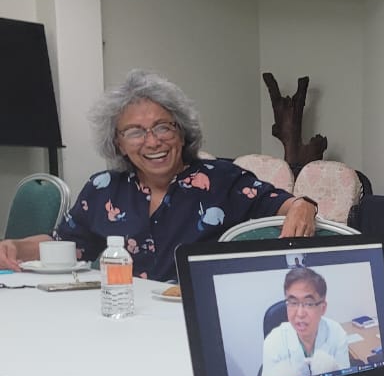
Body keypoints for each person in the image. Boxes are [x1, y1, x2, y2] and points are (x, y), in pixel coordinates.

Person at [0, 69, 318, 280]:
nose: (153, 141)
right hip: (124, 319)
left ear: (182, 132)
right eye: (135, 132)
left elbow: (286, 204)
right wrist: (15, 246)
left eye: (163, 126)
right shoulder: (103, 189)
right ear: (119, 143)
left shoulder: (222, 179)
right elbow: (64, 244)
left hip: (197, 323)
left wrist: (303, 206)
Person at [260, 266, 350, 376]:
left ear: (323, 308)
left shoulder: (337, 333)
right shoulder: (273, 342)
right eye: (293, 303)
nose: (300, 314)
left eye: (308, 304)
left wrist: (334, 370)